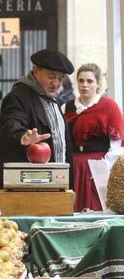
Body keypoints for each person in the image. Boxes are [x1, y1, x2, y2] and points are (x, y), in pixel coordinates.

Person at [0, 49, 75, 189]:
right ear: (36, 71)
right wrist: (22, 137)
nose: (55, 83)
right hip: (29, 187)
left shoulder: (54, 101)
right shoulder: (18, 97)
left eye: (60, 78)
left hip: (57, 183)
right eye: (51, 77)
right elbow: (10, 124)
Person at [62, 63, 124, 212]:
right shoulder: (66, 108)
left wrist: (104, 167)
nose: (85, 85)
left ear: (97, 84)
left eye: (89, 81)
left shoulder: (109, 106)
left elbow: (116, 144)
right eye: (81, 81)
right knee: (72, 207)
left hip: (99, 165)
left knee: (97, 206)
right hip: (74, 166)